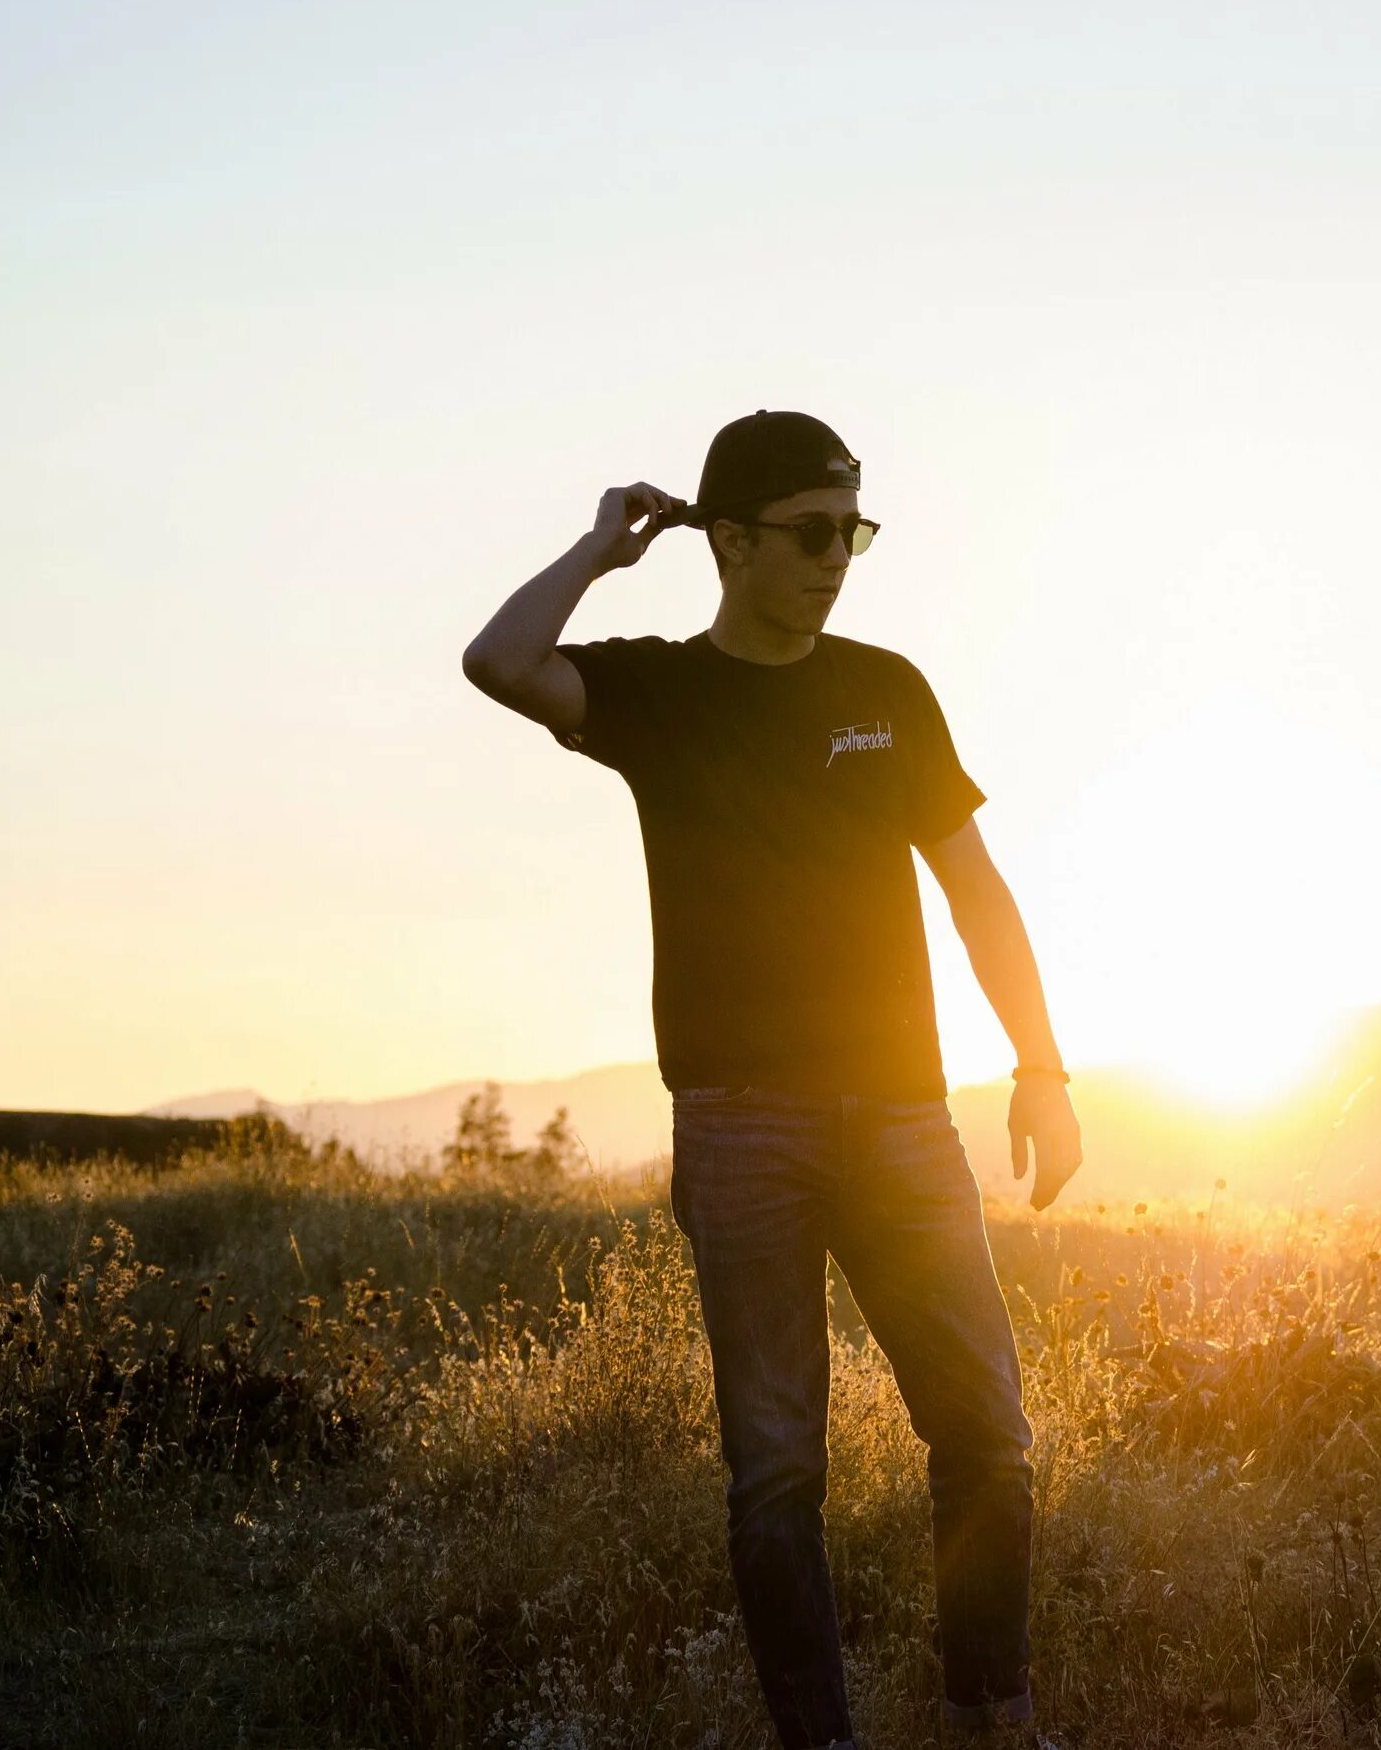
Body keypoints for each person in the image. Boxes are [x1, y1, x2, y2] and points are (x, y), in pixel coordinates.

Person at [461, 409, 1082, 1750]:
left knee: (986, 1441)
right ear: (729, 542)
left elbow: (978, 894)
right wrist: (596, 549)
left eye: (852, 531)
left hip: (911, 1121)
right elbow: (500, 660)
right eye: (810, 534)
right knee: (777, 1477)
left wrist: (1043, 1066)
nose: (838, 560)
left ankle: (994, 1725)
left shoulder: (887, 689)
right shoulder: (658, 695)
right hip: (744, 1131)